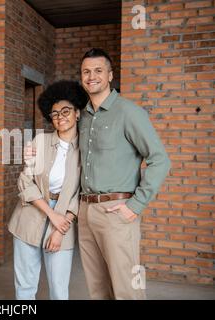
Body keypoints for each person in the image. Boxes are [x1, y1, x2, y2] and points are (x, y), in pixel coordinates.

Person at [78, 48, 171, 299]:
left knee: (127, 289)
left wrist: (135, 205)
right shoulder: (83, 117)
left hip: (116, 211)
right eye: (86, 71)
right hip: (85, 210)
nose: (91, 76)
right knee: (97, 288)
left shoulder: (129, 112)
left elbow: (160, 160)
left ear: (110, 75)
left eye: (98, 70)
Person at [8, 80, 88, 300]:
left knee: (59, 288)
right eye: (54, 114)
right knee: (25, 285)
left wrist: (60, 227)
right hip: (31, 213)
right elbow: (26, 181)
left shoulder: (86, 149)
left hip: (65, 218)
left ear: (78, 113)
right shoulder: (40, 141)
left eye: (66, 111)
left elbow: (81, 192)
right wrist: (51, 214)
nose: (60, 117)